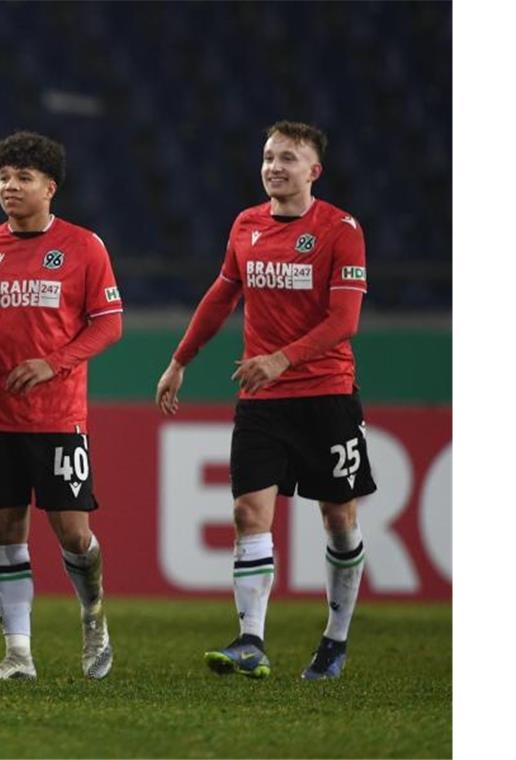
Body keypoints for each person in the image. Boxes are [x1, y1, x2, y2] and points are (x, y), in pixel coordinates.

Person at [154, 120, 375, 680]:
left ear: (313, 171)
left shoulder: (340, 230)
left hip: (326, 395)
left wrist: (282, 358)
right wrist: (180, 360)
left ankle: (334, 640)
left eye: (289, 158)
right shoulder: (246, 226)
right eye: (269, 156)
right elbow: (220, 296)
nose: (275, 166)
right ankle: (251, 638)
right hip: (262, 398)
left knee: (339, 519)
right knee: (247, 511)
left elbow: (343, 320)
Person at [0, 131, 123, 680]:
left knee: (72, 533)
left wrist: (52, 362)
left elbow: (109, 324)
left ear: (50, 188)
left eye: (23, 179)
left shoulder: (83, 247)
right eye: (4, 178)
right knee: (5, 533)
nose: (10, 187)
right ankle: (18, 654)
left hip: (59, 417)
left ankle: (94, 614)